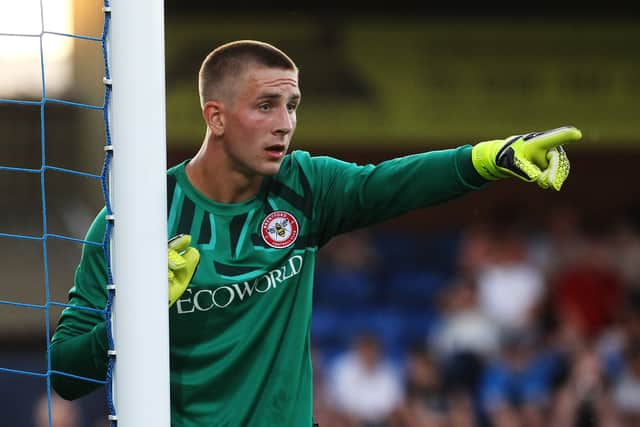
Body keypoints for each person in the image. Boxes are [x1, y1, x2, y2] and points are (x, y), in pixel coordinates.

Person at [49, 39, 582, 426]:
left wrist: (492, 157)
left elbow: (394, 184)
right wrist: (137, 315)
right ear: (215, 116)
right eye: (266, 105)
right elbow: (65, 376)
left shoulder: (306, 187)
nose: (285, 122)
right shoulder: (133, 222)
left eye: (292, 106)